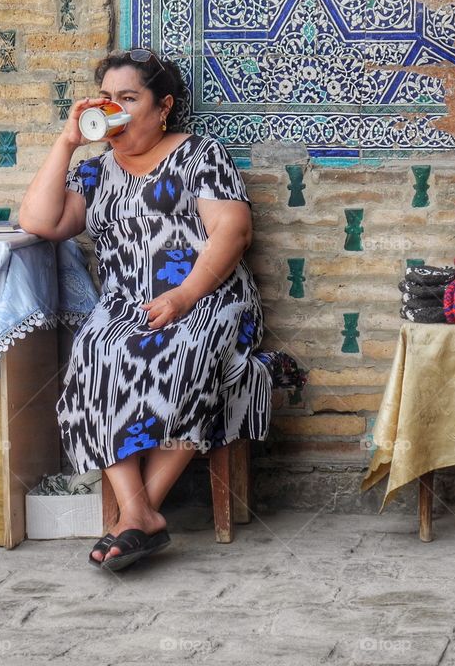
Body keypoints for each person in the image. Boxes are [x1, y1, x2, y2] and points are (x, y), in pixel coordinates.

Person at [20, 48, 271, 571]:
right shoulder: (95, 171)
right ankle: (142, 517)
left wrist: (184, 295)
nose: (115, 109)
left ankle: (133, 519)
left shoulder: (200, 155)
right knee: (95, 351)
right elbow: (41, 222)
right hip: (126, 305)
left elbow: (234, 232)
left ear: (163, 107)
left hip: (209, 296)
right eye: (107, 99)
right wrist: (67, 142)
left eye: (129, 99)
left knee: (187, 351)